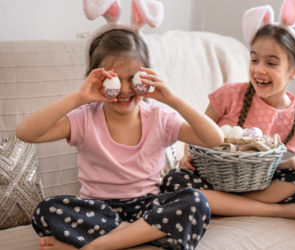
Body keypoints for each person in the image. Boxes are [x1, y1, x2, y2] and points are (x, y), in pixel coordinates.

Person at [16, 26, 224, 250]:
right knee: (46, 211)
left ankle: (98, 246)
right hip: (98, 210)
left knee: (196, 201)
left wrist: (173, 100)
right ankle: (135, 236)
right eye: (114, 79)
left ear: (145, 76)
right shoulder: (85, 118)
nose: (124, 89)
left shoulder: (159, 117)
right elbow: (26, 133)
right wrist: (79, 98)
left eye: (132, 78)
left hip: (148, 208)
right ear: (96, 78)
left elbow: (214, 139)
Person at [161, 0, 295, 221]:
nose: (259, 69)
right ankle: (277, 211)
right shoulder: (229, 95)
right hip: (213, 176)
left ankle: (224, 204)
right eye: (254, 59)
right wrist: (187, 157)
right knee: (174, 182)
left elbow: (273, 166)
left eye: (271, 63)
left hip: (256, 184)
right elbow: (195, 134)